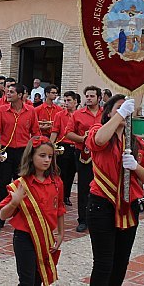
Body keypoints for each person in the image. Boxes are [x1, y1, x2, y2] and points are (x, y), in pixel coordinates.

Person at [86, 95, 144, 285]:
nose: (124, 112)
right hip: (102, 203)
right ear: (108, 113)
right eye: (118, 108)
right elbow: (98, 140)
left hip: (128, 205)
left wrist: (135, 167)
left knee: (121, 262)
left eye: (127, 109)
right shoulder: (99, 131)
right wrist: (120, 113)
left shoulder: (136, 143)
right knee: (103, 262)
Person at [0, 136, 65, 286]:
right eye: (42, 156)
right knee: (27, 281)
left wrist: (61, 233)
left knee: (39, 278)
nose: (47, 160)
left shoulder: (57, 182)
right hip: (25, 238)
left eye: (50, 156)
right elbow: (3, 214)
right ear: (31, 157)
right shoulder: (20, 184)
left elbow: (60, 208)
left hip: (46, 236)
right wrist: (14, 203)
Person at [0, 83, 40, 231]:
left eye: (11, 92)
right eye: (7, 92)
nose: (7, 94)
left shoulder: (31, 111)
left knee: (23, 186)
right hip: (5, 152)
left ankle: (21, 218)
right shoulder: (1, 110)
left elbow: (35, 133)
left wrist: (34, 151)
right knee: (1, 185)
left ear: (21, 95)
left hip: (23, 153)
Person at [65, 85, 103, 233]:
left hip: (102, 156)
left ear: (99, 98)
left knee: (101, 186)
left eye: (92, 96)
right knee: (84, 187)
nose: (88, 98)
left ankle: (99, 218)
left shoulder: (105, 114)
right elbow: (68, 133)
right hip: (83, 155)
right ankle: (83, 219)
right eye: (87, 96)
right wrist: (83, 139)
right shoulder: (77, 114)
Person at [50, 90, 77, 206]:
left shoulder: (79, 115)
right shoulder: (59, 115)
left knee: (71, 173)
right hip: (63, 146)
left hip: (76, 146)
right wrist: (50, 146)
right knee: (61, 173)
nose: (66, 103)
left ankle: (66, 195)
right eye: (65, 101)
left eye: (69, 100)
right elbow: (55, 131)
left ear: (75, 102)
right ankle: (59, 195)